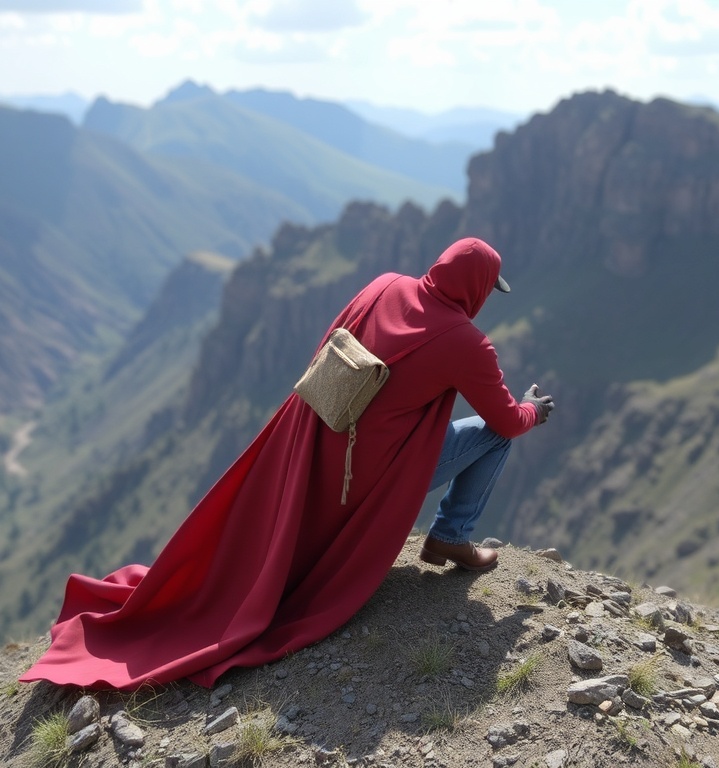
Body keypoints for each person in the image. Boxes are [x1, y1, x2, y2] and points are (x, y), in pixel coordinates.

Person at [19, 237, 553, 690]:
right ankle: (451, 535)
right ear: (478, 288)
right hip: (374, 481)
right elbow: (505, 419)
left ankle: (446, 537)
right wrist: (533, 409)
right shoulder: (467, 342)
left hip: (318, 458)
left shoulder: (384, 284)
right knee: (495, 438)